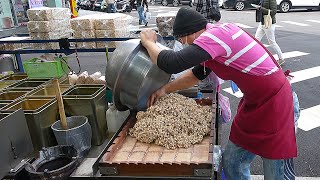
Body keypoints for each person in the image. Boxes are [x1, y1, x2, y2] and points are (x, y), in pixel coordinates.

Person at [140, 8, 297, 179]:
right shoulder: (213, 39)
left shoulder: (215, 36)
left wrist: (149, 42)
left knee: (275, 171)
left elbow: (172, 63)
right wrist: (164, 89)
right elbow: (196, 74)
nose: (183, 43)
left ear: (190, 33)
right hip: (255, 103)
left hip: (276, 104)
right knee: (232, 162)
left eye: (181, 38)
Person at [255, 0, 285, 65]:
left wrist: (261, 9)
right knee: (256, 40)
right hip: (262, 22)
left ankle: (281, 58)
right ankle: (255, 57)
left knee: (272, 42)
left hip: (269, 23)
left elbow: (274, 11)